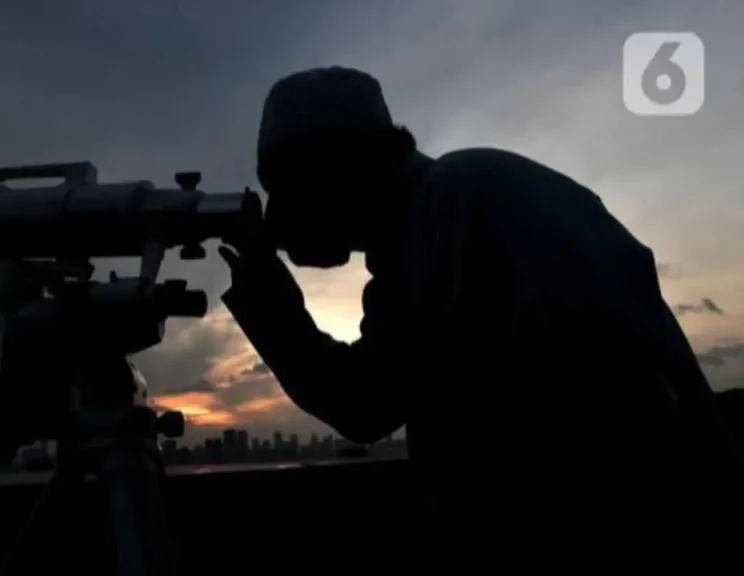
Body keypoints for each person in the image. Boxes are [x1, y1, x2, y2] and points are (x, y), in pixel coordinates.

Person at [218, 67, 741, 537]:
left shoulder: (441, 212)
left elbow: (363, 403)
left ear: (331, 169)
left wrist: (265, 291)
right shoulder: (472, 190)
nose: (276, 214)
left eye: (283, 188)